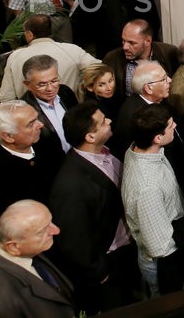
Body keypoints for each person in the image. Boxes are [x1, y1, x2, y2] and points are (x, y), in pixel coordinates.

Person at [48, 104, 139, 313]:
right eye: (103, 121)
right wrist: (100, 272)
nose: (109, 121)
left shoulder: (107, 150)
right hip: (109, 263)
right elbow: (73, 238)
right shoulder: (70, 184)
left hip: (126, 250)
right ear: (90, 137)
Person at [0, 200, 74, 318]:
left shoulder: (7, 238)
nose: (56, 230)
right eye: (41, 232)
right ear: (13, 246)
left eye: (50, 222)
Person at [121, 106, 184, 296]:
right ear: (157, 138)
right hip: (164, 264)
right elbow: (160, 245)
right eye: (170, 126)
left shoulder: (139, 149)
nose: (175, 125)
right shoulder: (147, 188)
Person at [0, 100, 61, 237]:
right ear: (8, 136)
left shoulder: (46, 141)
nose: (41, 124)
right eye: (31, 124)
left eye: (36, 119)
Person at [0, 14, 98, 101]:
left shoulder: (15, 57)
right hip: (71, 112)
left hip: (34, 118)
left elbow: (7, 96)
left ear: (29, 34)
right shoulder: (72, 50)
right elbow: (100, 69)